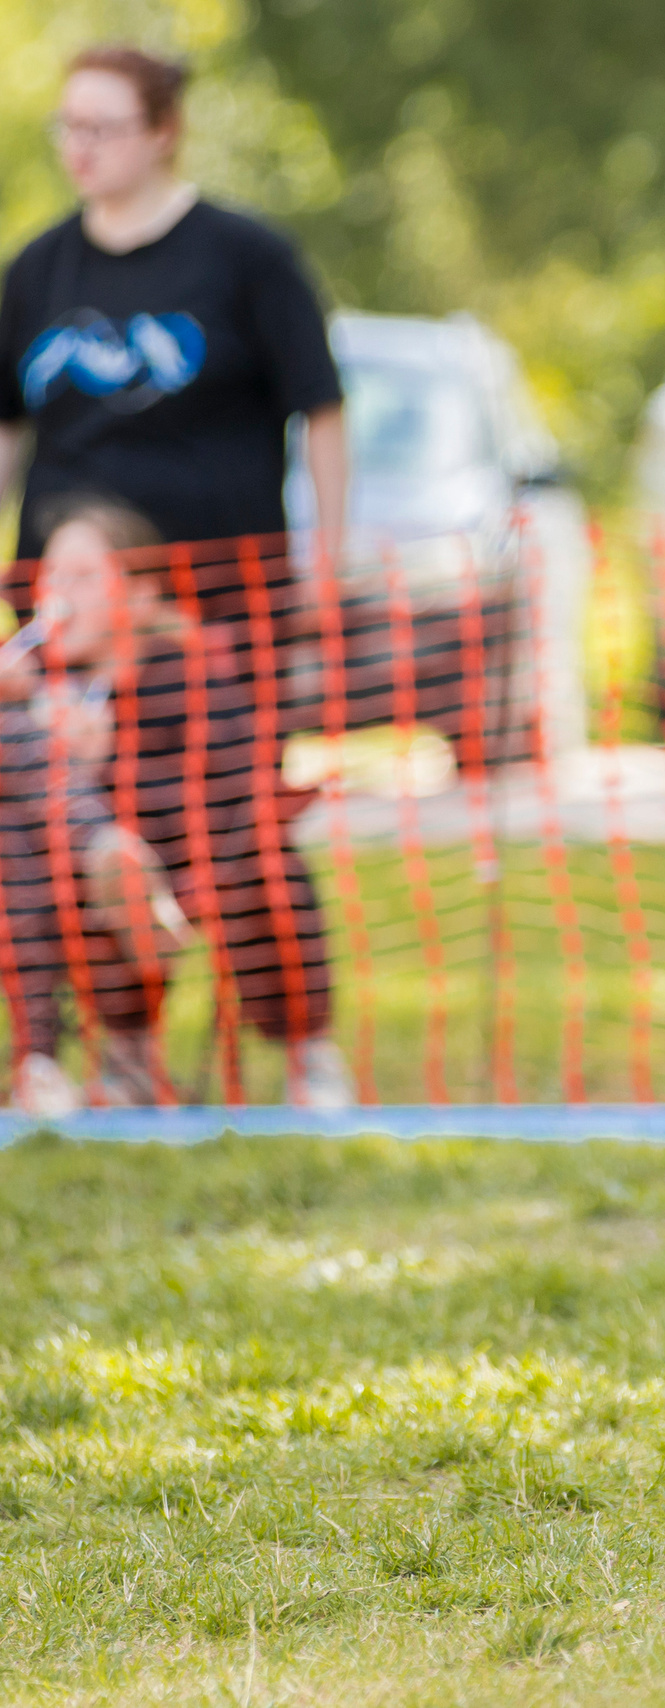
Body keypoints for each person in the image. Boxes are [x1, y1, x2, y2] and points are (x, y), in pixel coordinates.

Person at [0, 499, 346, 1111]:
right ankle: (57, 1059)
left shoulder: (190, 674)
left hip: (196, 866)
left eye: (82, 577)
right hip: (82, 889)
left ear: (139, 596)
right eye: (50, 578)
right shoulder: (29, 690)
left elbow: (242, 790)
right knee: (18, 822)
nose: (58, 592)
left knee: (269, 860)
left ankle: (307, 1050)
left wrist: (114, 756)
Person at [0, 43, 346, 626]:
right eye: (69, 127)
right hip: (70, 617)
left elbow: (323, 414)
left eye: (102, 128)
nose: (80, 146)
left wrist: (329, 572)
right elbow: (7, 428)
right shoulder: (35, 268)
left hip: (218, 615)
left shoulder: (249, 258)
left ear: (164, 132)